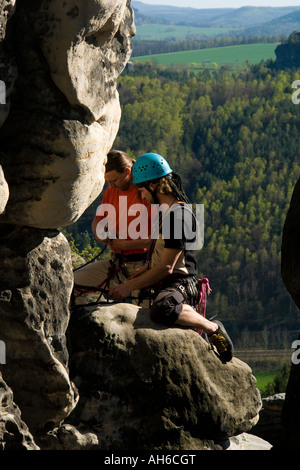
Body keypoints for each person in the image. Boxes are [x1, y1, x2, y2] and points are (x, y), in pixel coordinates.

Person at [109, 153, 233, 363]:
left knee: (163, 309)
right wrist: (145, 269)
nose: (142, 196)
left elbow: (167, 267)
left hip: (179, 284)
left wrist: (128, 287)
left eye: (142, 189)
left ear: (154, 185)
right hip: (165, 281)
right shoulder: (167, 214)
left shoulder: (178, 216)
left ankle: (212, 327)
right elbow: (161, 256)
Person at [73, 150, 152, 305]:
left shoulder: (145, 193)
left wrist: (127, 245)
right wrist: (99, 234)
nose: (111, 185)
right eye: (108, 181)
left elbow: (160, 238)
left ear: (127, 172)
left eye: (114, 180)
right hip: (116, 263)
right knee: (72, 284)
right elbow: (98, 220)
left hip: (143, 266)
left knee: (143, 314)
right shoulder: (112, 190)